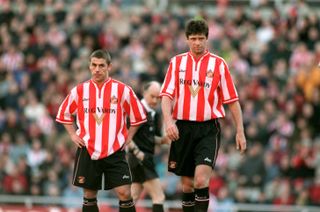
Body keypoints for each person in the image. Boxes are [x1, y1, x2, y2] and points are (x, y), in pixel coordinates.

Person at [160, 18, 247, 212]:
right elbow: (166, 96)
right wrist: (168, 122)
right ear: (187, 39)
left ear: (207, 39)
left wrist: (240, 131)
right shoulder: (177, 63)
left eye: (201, 38)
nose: (197, 42)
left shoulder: (218, 64)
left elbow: (232, 100)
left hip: (208, 128)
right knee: (187, 185)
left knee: (201, 180)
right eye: (193, 38)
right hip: (182, 127)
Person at [56, 49, 147, 212]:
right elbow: (64, 113)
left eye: (101, 65)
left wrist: (128, 137)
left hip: (115, 150)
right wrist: (72, 134)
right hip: (87, 149)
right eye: (94, 65)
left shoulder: (122, 90)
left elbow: (138, 117)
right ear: (89, 66)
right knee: (89, 195)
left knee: (125, 193)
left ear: (109, 67)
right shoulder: (79, 90)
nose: (97, 69)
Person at [127, 81, 170, 212]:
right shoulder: (137, 110)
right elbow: (125, 134)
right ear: (144, 92)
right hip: (140, 158)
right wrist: (137, 152)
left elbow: (152, 138)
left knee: (132, 198)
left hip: (143, 158)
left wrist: (164, 140)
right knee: (159, 197)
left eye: (158, 97)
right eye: (152, 96)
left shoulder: (154, 114)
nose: (156, 100)